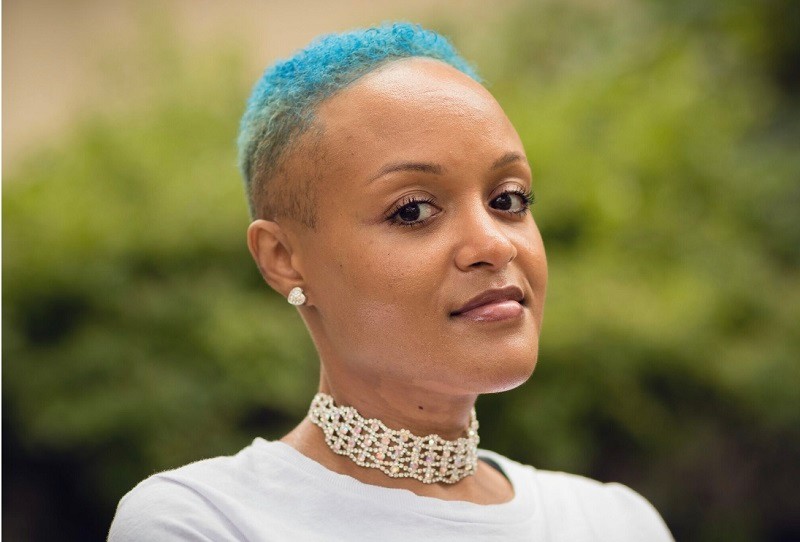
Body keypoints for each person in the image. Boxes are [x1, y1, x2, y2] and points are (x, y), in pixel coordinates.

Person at [109, 22, 673, 541]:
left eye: (509, 200)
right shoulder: (207, 521)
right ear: (283, 258)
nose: (495, 244)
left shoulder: (615, 522)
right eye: (412, 211)